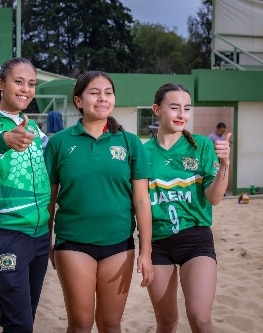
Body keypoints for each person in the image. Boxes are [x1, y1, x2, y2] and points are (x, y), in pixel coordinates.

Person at [44, 70, 154, 333]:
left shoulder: (130, 142)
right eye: (94, 93)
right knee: (81, 324)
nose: (102, 98)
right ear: (79, 101)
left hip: (119, 246)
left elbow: (141, 200)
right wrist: (45, 241)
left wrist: (146, 251)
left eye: (108, 93)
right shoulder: (58, 143)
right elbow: (49, 200)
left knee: (110, 323)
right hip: (73, 243)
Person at [0, 57, 51, 333]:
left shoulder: (34, 128)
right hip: (4, 233)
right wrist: (2, 141)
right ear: (0, 83)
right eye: (19, 81)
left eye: (32, 84)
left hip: (39, 236)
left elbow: (56, 160)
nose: (26, 89)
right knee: (19, 324)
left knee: (25, 319)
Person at [144, 83, 231, 333]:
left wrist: (225, 164)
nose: (182, 114)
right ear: (156, 110)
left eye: (186, 108)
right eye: (174, 107)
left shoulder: (201, 146)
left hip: (196, 240)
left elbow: (214, 198)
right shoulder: (141, 151)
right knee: (166, 321)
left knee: (200, 319)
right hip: (157, 244)